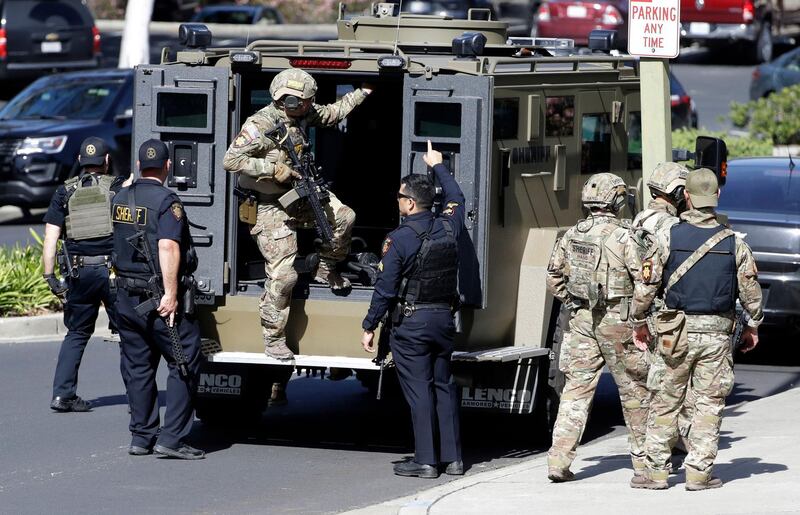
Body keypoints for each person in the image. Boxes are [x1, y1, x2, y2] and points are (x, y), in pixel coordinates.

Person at [223, 68, 373, 363]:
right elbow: (231, 160)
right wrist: (272, 170)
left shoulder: (303, 113)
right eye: (306, 100)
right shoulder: (260, 124)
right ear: (289, 102)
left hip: (302, 190)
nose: (311, 104)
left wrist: (363, 92)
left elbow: (332, 113)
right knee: (283, 274)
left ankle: (324, 266)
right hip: (270, 203)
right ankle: (274, 339)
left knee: (344, 217)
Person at [630, 168, 763, 491]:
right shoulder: (735, 243)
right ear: (716, 197)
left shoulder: (667, 236)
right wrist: (752, 325)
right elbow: (751, 294)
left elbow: (647, 287)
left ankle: (656, 473)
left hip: (674, 333)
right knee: (708, 403)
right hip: (717, 336)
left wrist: (638, 321)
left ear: (686, 196)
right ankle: (700, 473)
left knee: (665, 400)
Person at [361, 141, 465, 479]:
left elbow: (385, 288)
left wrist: (370, 324)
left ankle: (425, 460)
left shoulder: (399, 239)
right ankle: (453, 459)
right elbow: (456, 199)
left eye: (399, 198)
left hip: (413, 323)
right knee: (443, 387)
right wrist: (437, 165)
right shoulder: (449, 225)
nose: (398, 202)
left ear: (408, 203)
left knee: (419, 391)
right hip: (444, 321)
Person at [545, 173, 650, 482]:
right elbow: (644, 283)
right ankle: (644, 465)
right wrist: (640, 316)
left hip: (581, 323)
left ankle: (558, 462)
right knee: (634, 391)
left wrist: (572, 302)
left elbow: (553, 277)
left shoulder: (571, 235)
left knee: (575, 392)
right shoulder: (629, 236)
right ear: (617, 201)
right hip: (619, 322)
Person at [112, 139, 204, 459]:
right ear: (167, 167)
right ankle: (172, 438)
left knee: (138, 366)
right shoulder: (168, 201)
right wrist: (171, 293)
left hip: (125, 297)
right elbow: (168, 246)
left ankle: (141, 437)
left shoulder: (120, 196)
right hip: (156, 297)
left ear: (139, 166)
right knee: (185, 359)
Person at [42, 137, 128, 412]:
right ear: (106, 161)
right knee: (129, 335)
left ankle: (62, 395)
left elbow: (50, 237)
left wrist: (50, 277)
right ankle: (138, 399)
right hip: (112, 272)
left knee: (77, 333)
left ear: (80, 161)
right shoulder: (117, 187)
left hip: (79, 272)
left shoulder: (64, 192)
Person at [630, 162, 693, 460]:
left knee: (650, 381)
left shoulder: (639, 219)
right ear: (677, 192)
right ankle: (674, 443)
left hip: (641, 308)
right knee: (676, 380)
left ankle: (652, 444)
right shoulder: (672, 227)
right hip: (666, 314)